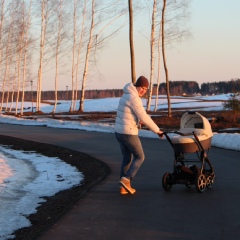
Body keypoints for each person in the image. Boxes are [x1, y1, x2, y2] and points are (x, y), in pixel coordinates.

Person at [115, 76, 164, 195]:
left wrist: (137, 121)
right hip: (128, 133)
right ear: (136, 86)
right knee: (140, 157)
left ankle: (123, 187)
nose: (143, 90)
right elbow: (145, 117)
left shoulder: (127, 94)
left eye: (145, 89)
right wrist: (157, 131)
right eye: (141, 87)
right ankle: (126, 179)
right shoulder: (134, 98)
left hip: (119, 132)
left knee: (127, 158)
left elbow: (128, 115)